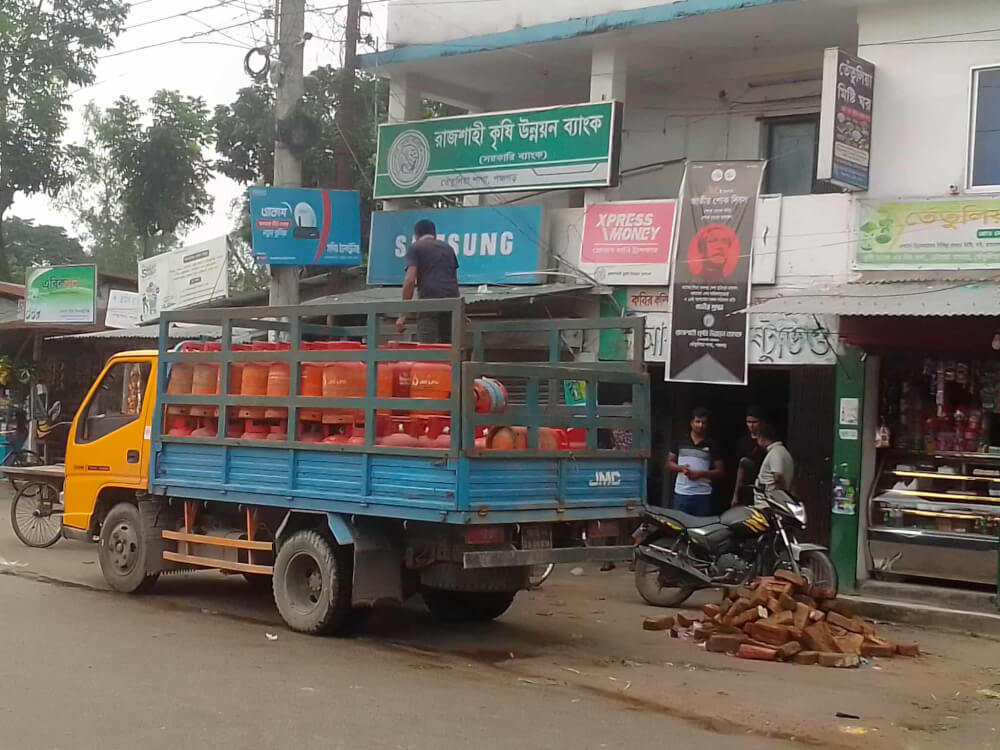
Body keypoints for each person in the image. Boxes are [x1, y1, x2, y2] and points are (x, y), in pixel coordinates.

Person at [395, 219, 460, 343]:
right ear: (435, 234)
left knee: (428, 348)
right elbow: (454, 280)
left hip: (429, 304)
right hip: (451, 305)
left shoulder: (415, 248)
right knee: (449, 348)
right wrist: (460, 311)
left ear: (416, 236)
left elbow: (410, 280)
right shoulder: (448, 248)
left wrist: (403, 314)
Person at [667, 407, 724, 516]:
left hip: (702, 494)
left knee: (701, 525)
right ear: (691, 423)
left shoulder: (712, 444)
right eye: (697, 422)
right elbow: (669, 463)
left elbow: (720, 471)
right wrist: (681, 468)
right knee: (680, 524)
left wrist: (700, 474)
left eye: (704, 423)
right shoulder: (680, 440)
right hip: (681, 493)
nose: (700, 425)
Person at [731, 405, 766, 507]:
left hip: (762, 485)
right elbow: (740, 469)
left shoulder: (766, 441)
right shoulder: (743, 441)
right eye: (748, 422)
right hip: (746, 486)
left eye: (754, 422)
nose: (751, 425)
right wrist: (735, 494)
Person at [756, 420, 794, 499]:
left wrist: (778, 497)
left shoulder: (775, 452)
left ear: (761, 438)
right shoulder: (782, 451)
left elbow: (777, 477)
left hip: (768, 501)